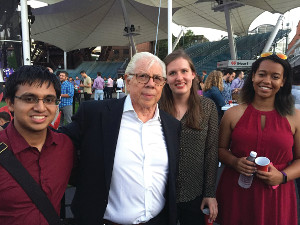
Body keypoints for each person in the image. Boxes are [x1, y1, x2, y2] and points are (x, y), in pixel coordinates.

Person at [60, 52, 181, 225]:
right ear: (128, 80)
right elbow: (58, 142)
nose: (151, 84)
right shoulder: (95, 114)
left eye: (157, 78)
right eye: (143, 76)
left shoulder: (172, 126)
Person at [216, 53, 300, 225]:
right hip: (237, 192)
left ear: (283, 82)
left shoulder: (295, 117)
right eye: (262, 74)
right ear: (253, 76)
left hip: (277, 194)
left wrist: (283, 176)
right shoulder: (233, 114)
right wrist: (234, 161)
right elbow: (219, 150)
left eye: (275, 77)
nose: (267, 81)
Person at [0, 65, 74, 224]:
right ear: (10, 103)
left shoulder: (65, 145)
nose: (40, 108)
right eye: (29, 99)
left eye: (48, 100)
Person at [159, 49, 219, 225]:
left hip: (195, 193)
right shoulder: (156, 108)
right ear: (165, 78)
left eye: (184, 71)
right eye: (172, 73)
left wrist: (209, 192)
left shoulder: (207, 107)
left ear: (193, 74)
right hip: (160, 194)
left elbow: (211, 151)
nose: (179, 77)